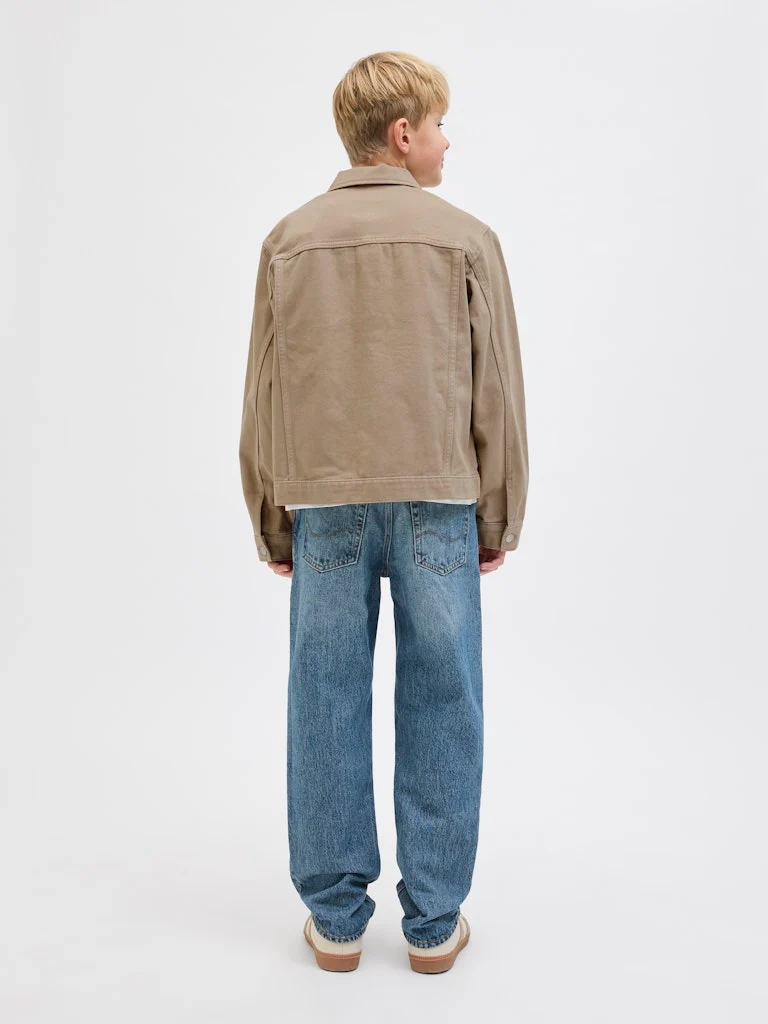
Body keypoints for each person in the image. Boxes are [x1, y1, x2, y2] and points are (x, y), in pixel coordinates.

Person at [238, 50, 529, 973]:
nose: (446, 139)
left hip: (326, 504)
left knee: (324, 694)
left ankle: (334, 920)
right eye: (439, 124)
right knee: (445, 695)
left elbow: (264, 390)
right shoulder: (466, 238)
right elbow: (498, 391)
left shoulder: (290, 239)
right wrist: (498, 513)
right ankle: (434, 923)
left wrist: (270, 513)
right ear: (402, 134)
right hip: (440, 501)